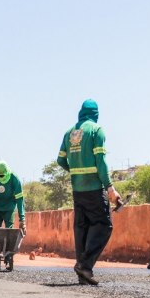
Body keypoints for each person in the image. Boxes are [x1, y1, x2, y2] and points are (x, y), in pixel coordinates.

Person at [57, 99, 121, 285]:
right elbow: (101, 161)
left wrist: (76, 170)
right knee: (103, 225)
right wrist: (109, 187)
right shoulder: (96, 131)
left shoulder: (69, 133)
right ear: (96, 113)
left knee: (82, 229)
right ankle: (85, 265)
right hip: (94, 187)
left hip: (77, 190)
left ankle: (82, 274)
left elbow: (60, 160)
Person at [0, 160, 26, 234]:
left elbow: (19, 199)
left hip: (9, 209)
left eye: (2, 175)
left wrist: (22, 219)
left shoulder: (14, 178)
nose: (1, 177)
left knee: (9, 231)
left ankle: (9, 245)